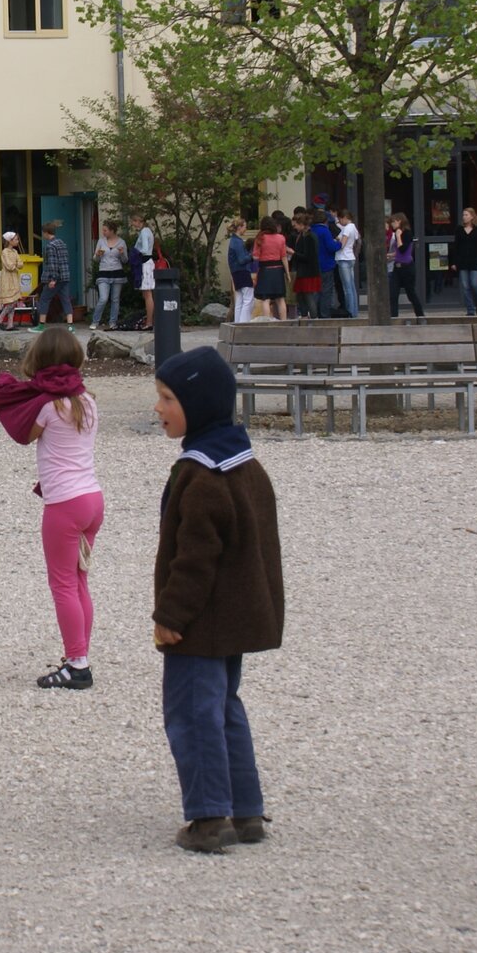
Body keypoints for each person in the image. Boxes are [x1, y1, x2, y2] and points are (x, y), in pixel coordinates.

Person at [150, 349, 282, 854]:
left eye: (167, 399)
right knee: (225, 707)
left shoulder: (201, 475)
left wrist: (170, 616)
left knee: (192, 714)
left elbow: (195, 559)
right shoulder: (245, 463)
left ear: (198, 405)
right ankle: (245, 810)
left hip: (200, 623)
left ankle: (208, 817)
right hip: (236, 617)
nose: (158, 408)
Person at [0, 327, 103, 691]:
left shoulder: (48, 407)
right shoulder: (88, 401)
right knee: (80, 579)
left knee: (63, 584)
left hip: (65, 504)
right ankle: (79, 655)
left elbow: (24, 435)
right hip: (92, 499)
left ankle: (77, 664)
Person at [448, 207, 477, 316]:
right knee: (465, 286)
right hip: (462, 261)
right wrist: (454, 262)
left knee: (475, 284)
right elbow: (456, 246)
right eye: (463, 215)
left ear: (472, 216)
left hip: (475, 261)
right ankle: (470, 310)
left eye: (466, 215)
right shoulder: (459, 229)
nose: (464, 217)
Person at [34, 219, 74, 328]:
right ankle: (70, 325)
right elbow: (64, 260)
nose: (43, 235)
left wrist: (52, 279)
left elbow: (52, 264)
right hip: (65, 277)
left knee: (44, 299)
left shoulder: (50, 246)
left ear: (47, 233)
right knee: (66, 300)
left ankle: (41, 325)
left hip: (56, 278)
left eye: (43, 233)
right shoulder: (62, 243)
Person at [250, 216, 290, 320]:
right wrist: (288, 274)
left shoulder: (260, 238)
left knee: (265, 299)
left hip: (264, 271)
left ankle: (267, 323)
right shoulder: (281, 238)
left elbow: (255, 257)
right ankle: (284, 323)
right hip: (278, 270)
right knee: (280, 299)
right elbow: (284, 257)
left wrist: (254, 273)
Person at [92, 220, 129, 330]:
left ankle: (113, 322)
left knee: (115, 299)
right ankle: (95, 321)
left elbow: (125, 260)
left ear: (112, 231)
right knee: (103, 298)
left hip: (117, 272)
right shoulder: (101, 241)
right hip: (103, 272)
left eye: (105, 230)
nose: (103, 232)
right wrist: (98, 255)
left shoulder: (121, 242)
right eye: (103, 230)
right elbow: (95, 259)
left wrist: (122, 254)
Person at [387, 213, 423, 317]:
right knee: (393, 294)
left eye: (393, 222)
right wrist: (389, 255)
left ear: (399, 221)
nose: (392, 225)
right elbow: (398, 252)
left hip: (407, 267)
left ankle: (420, 314)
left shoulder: (407, 233)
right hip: (397, 267)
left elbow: (402, 250)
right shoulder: (397, 233)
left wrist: (398, 236)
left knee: (410, 293)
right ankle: (393, 316)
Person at [289, 209, 324, 317]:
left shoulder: (309, 237)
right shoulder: (304, 236)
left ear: (302, 224)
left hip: (308, 272)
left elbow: (308, 256)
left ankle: (314, 318)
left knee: (308, 296)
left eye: (296, 225)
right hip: (305, 271)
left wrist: (293, 253)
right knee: (302, 296)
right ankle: (305, 316)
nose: (294, 227)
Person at [310, 210, 341, 317]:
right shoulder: (325, 231)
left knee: (315, 292)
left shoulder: (311, 230)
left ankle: (314, 314)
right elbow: (331, 247)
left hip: (313, 266)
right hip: (326, 265)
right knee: (326, 292)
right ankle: (324, 315)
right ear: (325, 221)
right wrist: (339, 244)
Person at [225, 217, 255, 324]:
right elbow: (242, 260)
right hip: (242, 271)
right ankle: (243, 323)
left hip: (235, 273)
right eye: (245, 227)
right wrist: (251, 256)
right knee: (248, 299)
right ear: (239, 227)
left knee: (239, 301)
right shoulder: (238, 242)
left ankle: (237, 323)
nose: (245, 230)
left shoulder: (233, 241)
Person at [130, 214, 157, 329]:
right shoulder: (147, 231)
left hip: (145, 263)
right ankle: (150, 320)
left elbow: (145, 249)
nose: (132, 224)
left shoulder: (144, 232)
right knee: (146, 293)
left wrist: (137, 252)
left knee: (147, 294)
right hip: (146, 263)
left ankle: (150, 322)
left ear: (138, 221)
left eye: (133, 222)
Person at [0, 230, 24, 329]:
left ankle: (10, 324)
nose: (17, 241)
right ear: (10, 241)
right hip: (7, 279)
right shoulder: (5, 252)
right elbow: (9, 266)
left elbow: (21, 264)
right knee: (11, 301)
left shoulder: (15, 252)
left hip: (14, 278)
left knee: (14, 300)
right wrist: (16, 265)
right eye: (15, 240)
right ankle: (0, 318)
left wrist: (16, 265)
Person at [335, 208, 361, 318]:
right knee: (352, 287)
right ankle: (354, 311)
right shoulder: (354, 227)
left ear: (345, 218)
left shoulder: (346, 229)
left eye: (340, 219)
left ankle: (350, 312)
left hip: (343, 258)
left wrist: (336, 241)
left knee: (347, 288)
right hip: (350, 257)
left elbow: (342, 244)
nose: (340, 221)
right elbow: (355, 240)